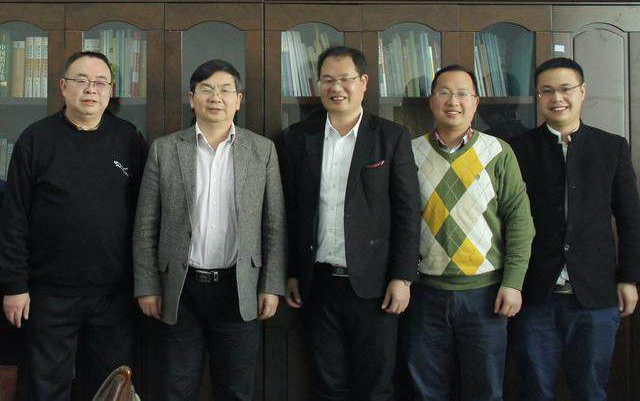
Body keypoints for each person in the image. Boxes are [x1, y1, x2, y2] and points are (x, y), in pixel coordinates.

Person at [133, 59, 286, 401]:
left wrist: (271, 285)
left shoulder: (261, 150)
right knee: (176, 389)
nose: (216, 97)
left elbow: (274, 224)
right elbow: (145, 225)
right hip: (180, 290)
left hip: (239, 288)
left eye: (225, 90)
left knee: (236, 391)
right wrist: (147, 286)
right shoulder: (165, 149)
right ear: (192, 99)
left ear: (238, 100)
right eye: (206, 90)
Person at [0, 51, 145, 401]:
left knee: (110, 387)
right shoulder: (36, 139)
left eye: (100, 82)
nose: (91, 89)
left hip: (114, 294)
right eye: (81, 80)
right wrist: (14, 285)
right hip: (49, 293)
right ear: (63, 87)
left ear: (111, 91)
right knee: (46, 387)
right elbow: (13, 217)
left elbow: (146, 215)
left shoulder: (129, 139)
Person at [282, 45, 421, 400]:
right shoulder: (299, 137)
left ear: (363, 82)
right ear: (318, 85)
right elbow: (291, 211)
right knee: (327, 386)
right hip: (318, 284)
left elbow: (407, 212)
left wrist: (402, 276)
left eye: (345, 79)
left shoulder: (391, 136)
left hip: (375, 286)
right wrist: (293, 272)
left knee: (376, 387)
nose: (336, 88)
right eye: (327, 80)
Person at [509, 57, 640, 401]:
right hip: (534, 294)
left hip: (596, 294)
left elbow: (630, 219)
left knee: (590, 390)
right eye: (547, 91)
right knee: (534, 390)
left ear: (582, 92)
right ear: (537, 97)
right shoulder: (517, 149)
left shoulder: (612, 147)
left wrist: (629, 278)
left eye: (566, 89)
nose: (557, 98)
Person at [404, 64, 535, 400]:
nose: (453, 101)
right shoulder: (409, 152)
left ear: (475, 102)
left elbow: (520, 222)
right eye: (444, 93)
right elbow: (397, 221)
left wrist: (513, 283)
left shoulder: (498, 152)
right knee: (426, 391)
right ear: (431, 101)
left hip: (485, 294)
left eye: (463, 94)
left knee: (485, 390)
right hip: (424, 294)